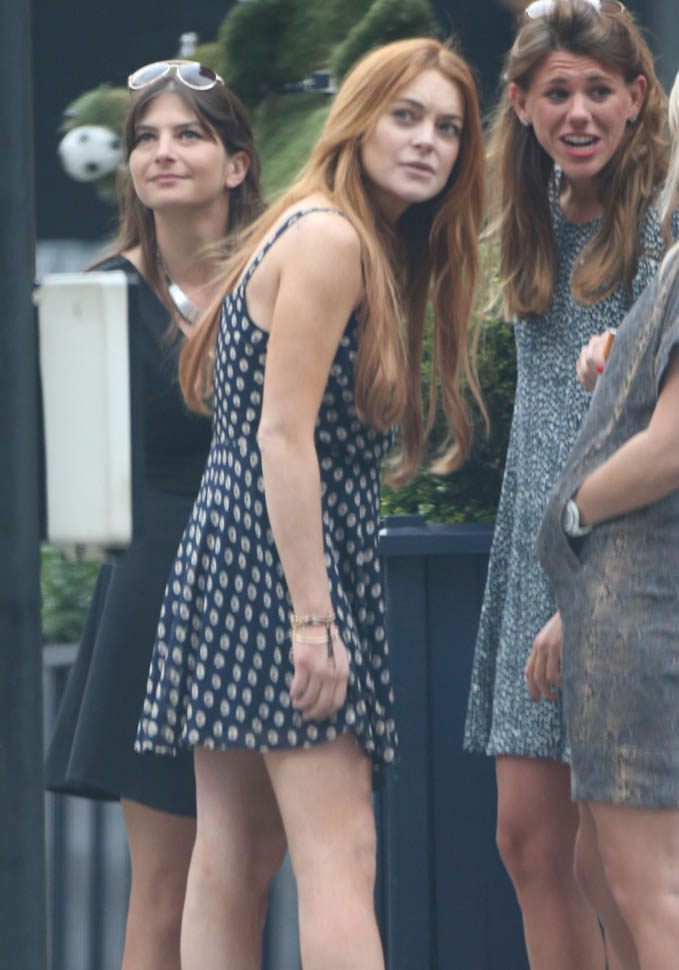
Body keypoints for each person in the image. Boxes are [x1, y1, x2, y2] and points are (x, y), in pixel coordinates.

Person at [135, 37, 486, 970]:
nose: (427, 141)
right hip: (281, 564)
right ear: (358, 121)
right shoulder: (331, 238)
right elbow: (281, 437)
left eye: (448, 127)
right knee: (339, 852)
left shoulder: (319, 227)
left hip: (239, 547)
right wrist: (312, 619)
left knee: (235, 854)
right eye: (404, 116)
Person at [462, 3, 671, 969]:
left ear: (637, 97)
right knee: (530, 840)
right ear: (519, 103)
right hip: (531, 545)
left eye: (597, 90)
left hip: (617, 549)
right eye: (555, 92)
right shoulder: (528, 211)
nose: (577, 112)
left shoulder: (661, 218)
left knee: (614, 856)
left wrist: (576, 587)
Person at [45, 60, 265, 970]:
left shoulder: (282, 273)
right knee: (166, 889)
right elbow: (70, 480)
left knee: (253, 867)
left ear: (237, 163)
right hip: (154, 589)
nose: (162, 152)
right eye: (145, 137)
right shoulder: (100, 295)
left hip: (269, 581)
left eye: (188, 134)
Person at [533, 65, 679, 970]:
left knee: (641, 879)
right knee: (601, 866)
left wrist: (574, 517)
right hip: (616, 607)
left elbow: (670, 447)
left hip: (644, 609)